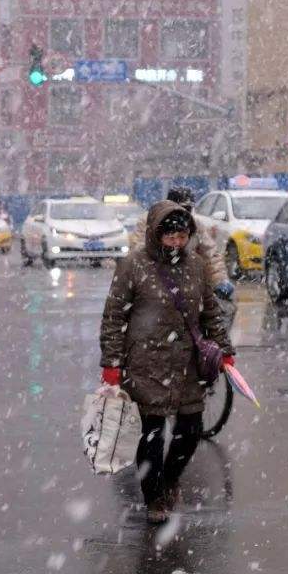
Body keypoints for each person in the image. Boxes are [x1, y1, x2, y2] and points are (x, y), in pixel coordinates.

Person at [100, 200, 235, 524]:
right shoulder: (133, 265)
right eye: (169, 236)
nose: (176, 242)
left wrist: (225, 350)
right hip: (145, 363)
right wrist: (112, 364)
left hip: (186, 362)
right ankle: (155, 498)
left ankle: (172, 478)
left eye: (182, 236)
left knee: (190, 430)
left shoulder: (196, 266)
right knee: (152, 433)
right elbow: (114, 315)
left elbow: (210, 312)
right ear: (155, 234)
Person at [134, 186, 232, 300]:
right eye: (180, 208)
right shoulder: (148, 222)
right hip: (155, 283)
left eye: (188, 209)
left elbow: (211, 255)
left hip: (188, 283)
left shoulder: (195, 225)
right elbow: (139, 252)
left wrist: (220, 280)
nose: (184, 213)